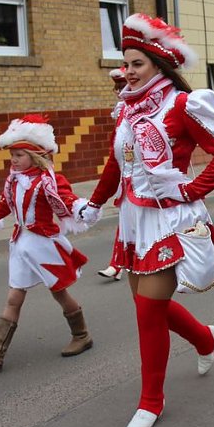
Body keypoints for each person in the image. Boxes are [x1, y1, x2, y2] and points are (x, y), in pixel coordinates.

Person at [80, 13, 214, 427]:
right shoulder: (127, 108)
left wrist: (190, 189)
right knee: (147, 305)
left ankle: (151, 399)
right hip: (134, 218)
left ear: (159, 64)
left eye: (137, 64)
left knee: (149, 312)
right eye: (125, 64)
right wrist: (95, 203)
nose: (128, 72)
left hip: (169, 217)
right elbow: (117, 164)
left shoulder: (183, 104)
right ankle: (204, 338)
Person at [0, 116, 93, 369]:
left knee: (59, 293)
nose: (13, 159)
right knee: (14, 297)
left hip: (44, 245)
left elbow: (66, 198)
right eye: (12, 155)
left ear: (34, 156)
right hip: (21, 244)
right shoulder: (13, 180)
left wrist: (83, 208)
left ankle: (82, 335)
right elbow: (4, 206)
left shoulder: (47, 181)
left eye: (19, 155)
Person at [98, 67, 128, 281]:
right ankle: (118, 264)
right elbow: (116, 147)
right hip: (127, 171)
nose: (118, 91)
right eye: (116, 87)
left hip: (148, 177)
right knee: (125, 218)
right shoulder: (122, 109)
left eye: (121, 86)